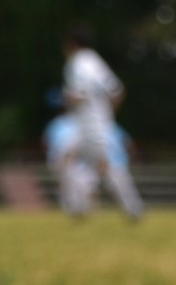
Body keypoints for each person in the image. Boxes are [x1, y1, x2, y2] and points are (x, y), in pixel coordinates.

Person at [58, 28, 144, 221]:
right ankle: (77, 206)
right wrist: (106, 116)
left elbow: (78, 95)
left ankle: (133, 208)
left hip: (89, 124)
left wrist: (65, 98)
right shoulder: (96, 61)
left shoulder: (77, 63)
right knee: (68, 157)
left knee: (105, 166)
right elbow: (117, 92)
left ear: (71, 43)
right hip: (90, 123)